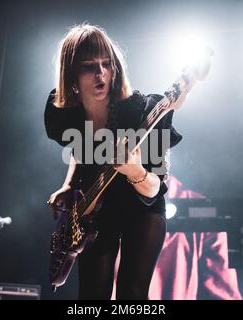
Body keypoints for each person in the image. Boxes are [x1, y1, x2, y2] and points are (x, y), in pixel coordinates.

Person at [44, 23, 182, 299]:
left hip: (141, 206)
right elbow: (79, 148)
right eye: (88, 66)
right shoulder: (63, 111)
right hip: (97, 209)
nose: (101, 74)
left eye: (106, 64)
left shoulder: (143, 110)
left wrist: (133, 170)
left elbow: (154, 189)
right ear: (70, 73)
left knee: (131, 294)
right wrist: (69, 184)